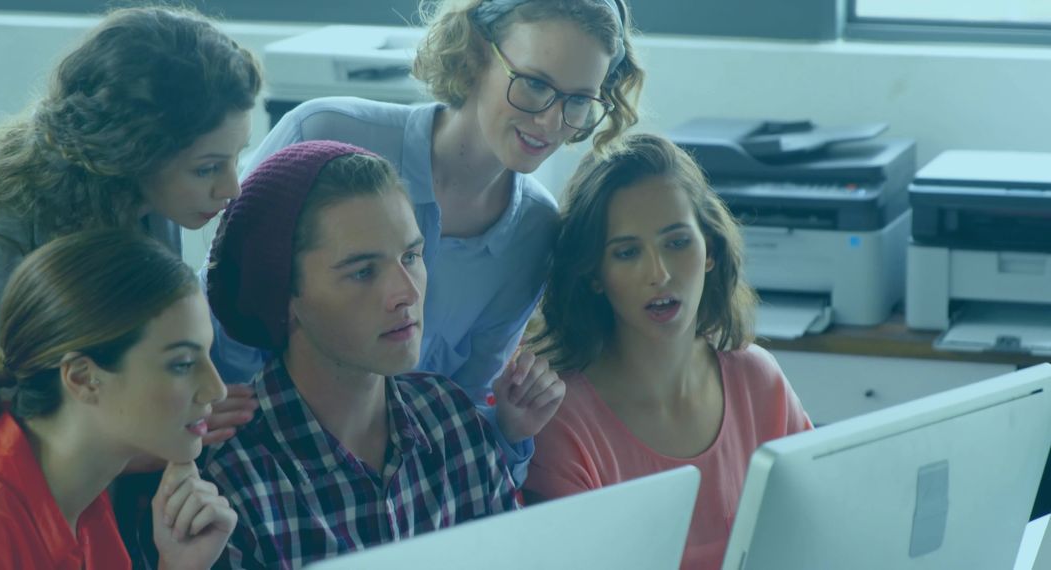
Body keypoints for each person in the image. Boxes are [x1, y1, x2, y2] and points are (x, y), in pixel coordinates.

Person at [209, 0, 645, 481]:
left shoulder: (535, 230)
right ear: (478, 53)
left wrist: (510, 429)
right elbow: (227, 313)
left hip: (404, 489)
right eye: (536, 84)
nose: (550, 122)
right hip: (259, 462)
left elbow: (467, 404)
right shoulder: (323, 132)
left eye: (579, 100)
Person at [202, 140, 558, 567]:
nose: (407, 293)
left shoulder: (452, 423)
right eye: (363, 271)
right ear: (285, 296)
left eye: (412, 255)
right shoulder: (232, 477)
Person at [0, 5, 263, 446]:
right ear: (132, 155)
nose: (232, 188)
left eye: (236, 158)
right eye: (206, 169)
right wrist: (138, 443)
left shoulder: (145, 202)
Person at [523, 134, 814, 570]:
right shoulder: (560, 418)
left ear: (710, 250)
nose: (658, 273)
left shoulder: (758, 379)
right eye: (626, 253)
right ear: (594, 275)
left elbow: (815, 530)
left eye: (677, 242)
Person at [0, 230, 236, 570]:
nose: (217, 389)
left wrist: (179, 565)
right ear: (82, 378)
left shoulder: (84, 492)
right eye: (182, 364)